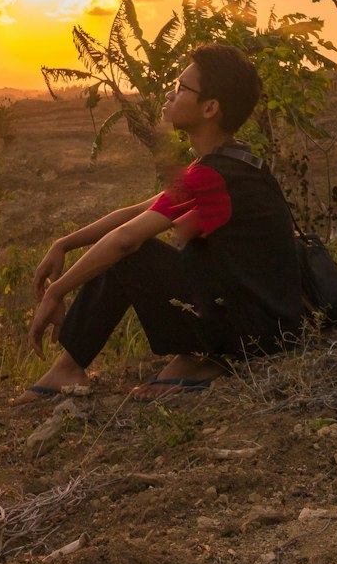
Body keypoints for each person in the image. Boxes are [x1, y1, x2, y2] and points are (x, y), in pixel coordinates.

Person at [15, 43, 302, 404]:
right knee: (139, 248)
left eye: (182, 88)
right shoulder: (228, 161)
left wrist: (57, 292)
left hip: (254, 333)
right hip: (266, 321)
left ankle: (193, 360)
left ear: (211, 108)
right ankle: (75, 367)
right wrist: (63, 244)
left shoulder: (214, 174)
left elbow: (126, 240)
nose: (170, 93)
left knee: (132, 252)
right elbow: (138, 212)